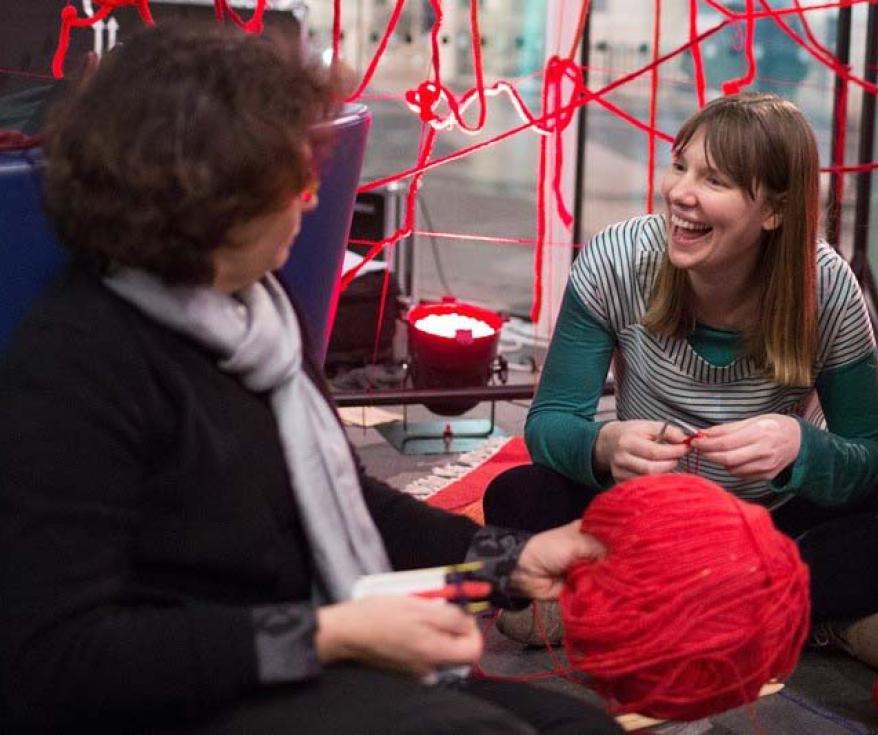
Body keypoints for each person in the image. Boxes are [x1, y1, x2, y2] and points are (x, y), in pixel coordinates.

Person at [0, 23, 621, 735]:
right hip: (192, 689)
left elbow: (345, 498)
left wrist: (508, 562)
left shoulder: (257, 311)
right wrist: (334, 634)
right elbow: (57, 661)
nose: (311, 198)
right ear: (200, 201)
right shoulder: (79, 360)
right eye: (291, 181)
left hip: (303, 641)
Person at [484, 93, 878, 653]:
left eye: (714, 180)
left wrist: (801, 448)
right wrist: (604, 444)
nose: (680, 193)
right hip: (649, 520)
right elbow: (549, 422)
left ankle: (634, 604)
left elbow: (874, 457)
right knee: (516, 497)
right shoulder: (616, 259)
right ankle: (808, 614)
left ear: (774, 210)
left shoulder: (828, 288)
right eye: (680, 166)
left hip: (774, 528)